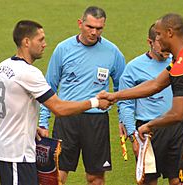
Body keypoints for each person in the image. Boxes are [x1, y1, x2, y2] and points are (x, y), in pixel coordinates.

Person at [98, 13, 183, 185]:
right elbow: (156, 84)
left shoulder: (182, 68)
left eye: (159, 34)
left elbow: (177, 114)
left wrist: (149, 125)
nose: (157, 39)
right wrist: (115, 96)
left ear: (170, 33)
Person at [0, 20, 111, 185]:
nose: (45, 44)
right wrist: (95, 102)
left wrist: (29, 127)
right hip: (18, 153)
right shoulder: (29, 73)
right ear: (27, 42)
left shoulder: (2, 67)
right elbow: (58, 108)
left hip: (5, 148)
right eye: (40, 39)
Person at [38, 6, 125, 185]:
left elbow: (121, 89)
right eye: (90, 27)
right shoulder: (63, 49)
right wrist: (43, 121)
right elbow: (48, 88)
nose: (94, 32)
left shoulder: (113, 52)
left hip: (96, 122)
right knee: (58, 175)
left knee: (96, 179)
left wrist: (123, 119)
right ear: (80, 23)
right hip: (66, 119)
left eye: (99, 28)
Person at [118, 23, 183, 185]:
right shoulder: (133, 68)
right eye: (160, 43)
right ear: (150, 42)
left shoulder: (178, 64)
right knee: (149, 181)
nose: (165, 47)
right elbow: (125, 105)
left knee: (179, 180)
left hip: (176, 128)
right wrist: (133, 137)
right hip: (147, 132)